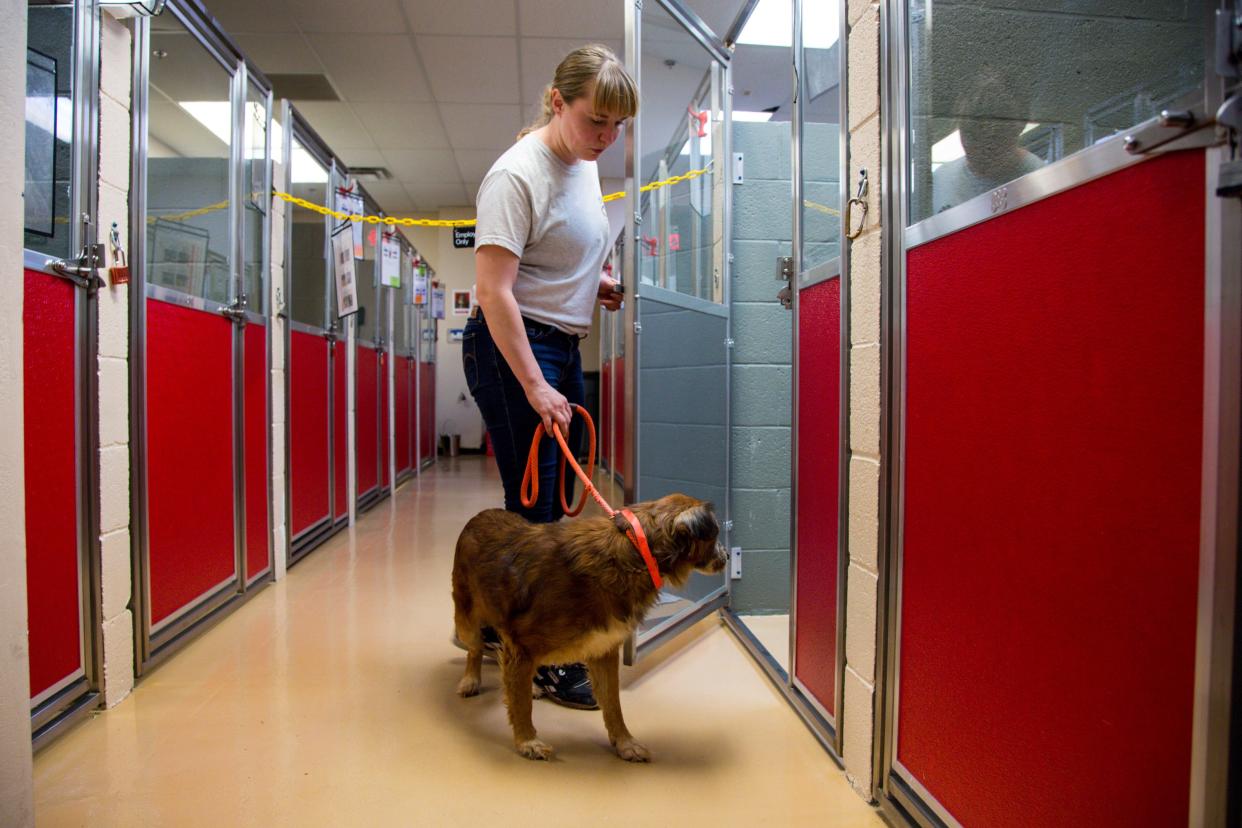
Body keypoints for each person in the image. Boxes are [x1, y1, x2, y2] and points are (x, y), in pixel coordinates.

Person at [460, 44, 636, 709]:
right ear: (558, 103)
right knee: (535, 512)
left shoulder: (584, 163)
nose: (606, 139)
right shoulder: (516, 174)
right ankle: (533, 652)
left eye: (617, 127)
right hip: (513, 348)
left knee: (554, 504)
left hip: (560, 340)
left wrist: (598, 285)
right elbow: (495, 291)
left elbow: (557, 260)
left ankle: (495, 626)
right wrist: (535, 385)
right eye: (596, 122)